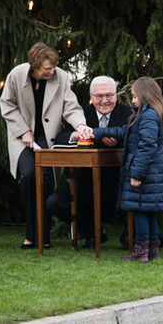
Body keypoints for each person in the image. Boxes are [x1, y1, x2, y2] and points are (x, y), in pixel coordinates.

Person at [0, 42, 89, 249]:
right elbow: (7, 105)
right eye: (47, 69)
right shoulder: (16, 75)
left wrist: (81, 125)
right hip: (21, 137)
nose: (52, 71)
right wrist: (24, 131)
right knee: (28, 176)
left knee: (46, 181)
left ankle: (42, 237)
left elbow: (71, 107)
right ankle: (31, 234)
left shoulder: (62, 77)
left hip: (48, 140)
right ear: (34, 66)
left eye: (54, 67)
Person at [85, 76, 163, 262]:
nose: (133, 100)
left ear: (145, 96)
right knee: (148, 211)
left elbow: (147, 147)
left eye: (135, 97)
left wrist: (136, 174)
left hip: (144, 175)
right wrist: (94, 132)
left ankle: (141, 252)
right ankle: (152, 250)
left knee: (139, 211)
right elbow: (123, 131)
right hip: (149, 175)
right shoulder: (143, 115)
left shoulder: (148, 117)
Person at [46, 76, 131, 247]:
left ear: (116, 95)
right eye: (99, 96)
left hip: (121, 181)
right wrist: (76, 135)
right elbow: (60, 138)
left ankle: (129, 236)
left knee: (138, 198)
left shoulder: (128, 114)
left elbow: (140, 140)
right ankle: (94, 233)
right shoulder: (82, 115)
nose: (104, 101)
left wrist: (120, 141)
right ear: (91, 97)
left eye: (109, 95)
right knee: (54, 202)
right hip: (87, 181)